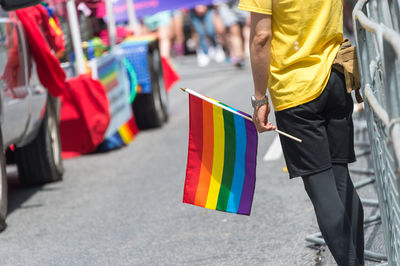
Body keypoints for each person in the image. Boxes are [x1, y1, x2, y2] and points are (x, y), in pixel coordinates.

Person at [238, 1, 364, 265]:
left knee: (322, 190)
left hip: (296, 91)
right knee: (341, 182)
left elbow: (261, 37)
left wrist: (260, 100)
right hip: (336, 73)